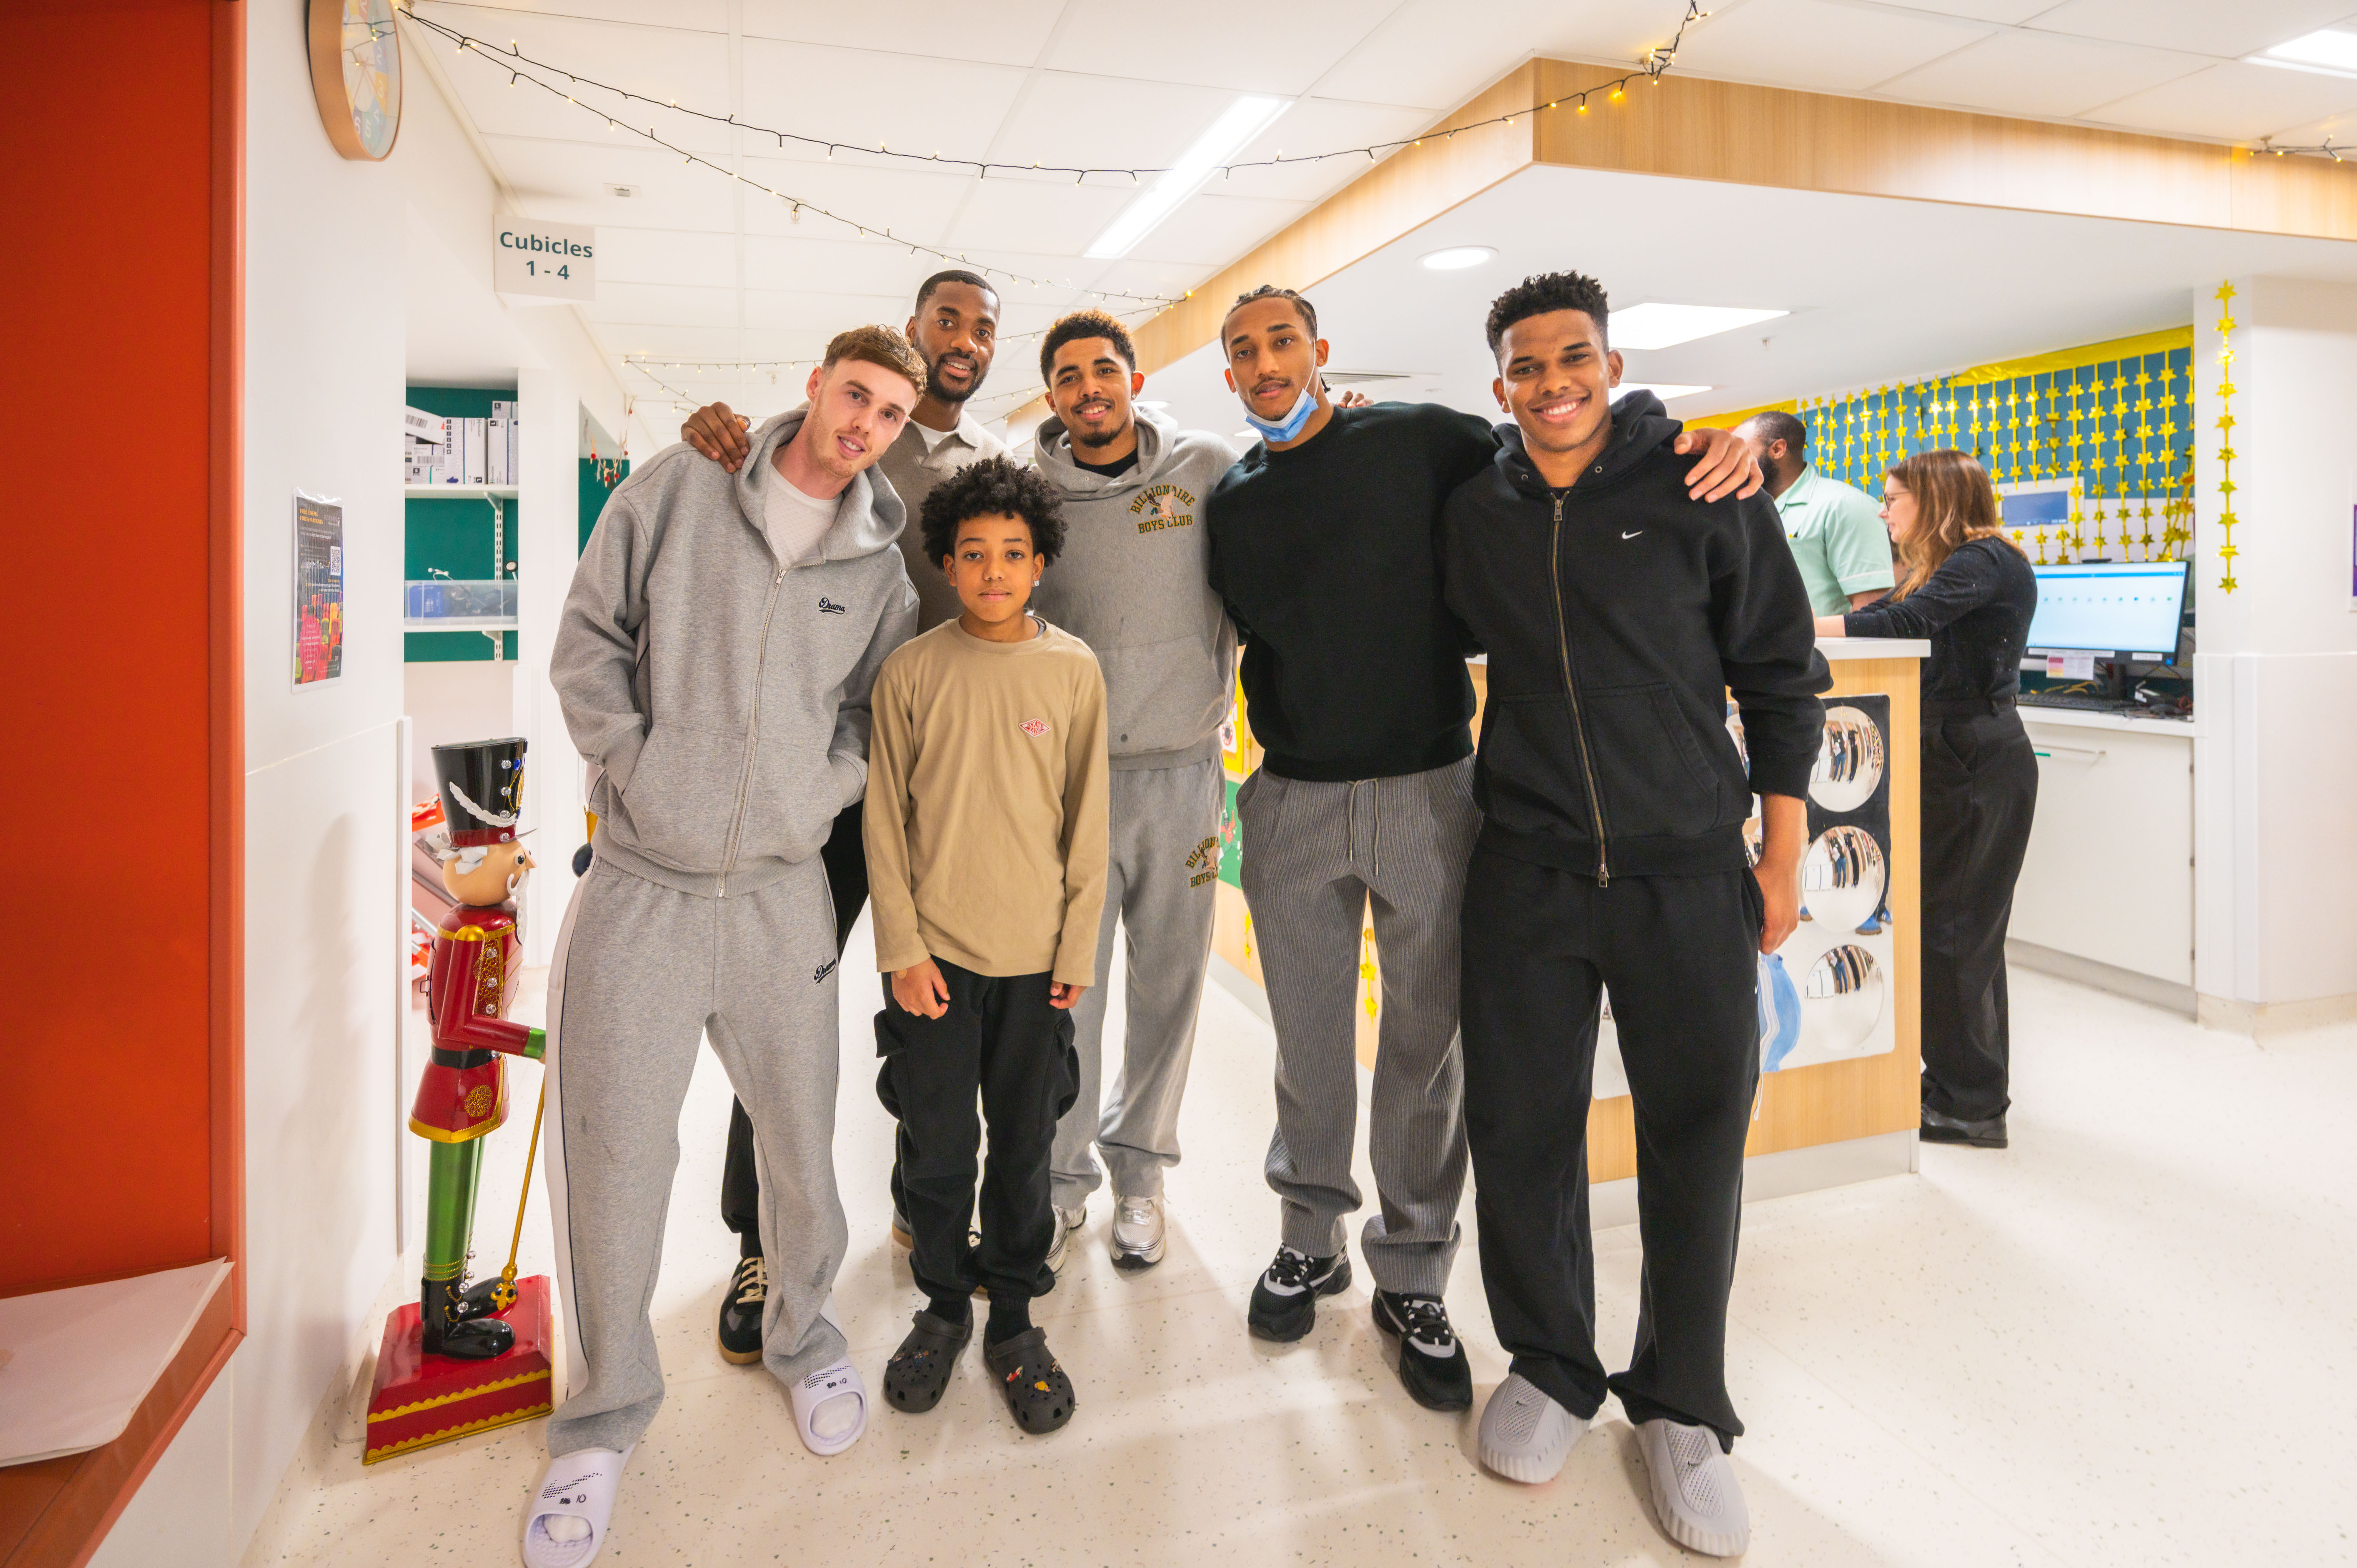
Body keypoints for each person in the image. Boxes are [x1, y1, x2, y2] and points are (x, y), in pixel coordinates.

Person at [1204, 284, 1762, 1413]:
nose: (1266, 364)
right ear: (1228, 375)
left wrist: (1691, 442)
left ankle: (1413, 1274)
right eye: (1244, 351)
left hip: (1430, 790)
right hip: (1294, 797)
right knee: (1307, 1046)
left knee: (1424, 1050)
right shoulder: (1233, 500)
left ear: (1320, 348)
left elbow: (1553, 449)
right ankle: (1308, 1239)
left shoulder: (1422, 439)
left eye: (1282, 341)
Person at [1439, 271, 1827, 1559]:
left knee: (1697, 1130)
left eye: (1573, 357)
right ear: (1499, 382)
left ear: (1609, 364)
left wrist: (1780, 857)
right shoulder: (1477, 507)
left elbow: (1780, 676)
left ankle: (1680, 1403)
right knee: (1518, 1125)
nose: (1551, 381)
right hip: (1528, 867)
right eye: (1526, 364)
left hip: (1685, 868)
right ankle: (1549, 1362)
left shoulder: (1703, 486)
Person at [525, 326, 924, 1566]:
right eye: (855, 395)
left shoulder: (882, 566)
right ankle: (602, 1414)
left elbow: (871, 716)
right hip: (640, 889)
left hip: (777, 896)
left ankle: (806, 1337)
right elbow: (588, 641)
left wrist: (816, 794)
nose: (865, 425)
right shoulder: (678, 487)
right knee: (614, 1152)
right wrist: (637, 768)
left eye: (890, 414)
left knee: (800, 1140)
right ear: (814, 384)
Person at [679, 270, 1009, 1363]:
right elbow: (750, 485)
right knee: (782, 1015)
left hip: (942, 788)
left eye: (983, 327)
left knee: (938, 1012)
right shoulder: (835, 437)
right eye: (947, 319)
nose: (963, 339)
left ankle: (925, 1203)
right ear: (911, 332)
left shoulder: (995, 462)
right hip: (825, 785)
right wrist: (713, 434)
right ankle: (761, 1241)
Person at [865, 456, 1108, 1435]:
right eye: (974, 553)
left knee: (1023, 1145)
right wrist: (902, 948)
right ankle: (940, 1303)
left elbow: (1088, 821)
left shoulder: (1074, 669)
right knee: (935, 1145)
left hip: (1037, 964)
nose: (994, 570)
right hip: (935, 962)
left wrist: (1077, 950)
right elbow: (884, 821)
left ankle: (1011, 1312)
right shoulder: (912, 670)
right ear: (947, 563)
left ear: (1040, 562)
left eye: (1013, 552)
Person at [1026, 308, 1243, 1271]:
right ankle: (1060, 1180)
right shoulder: (1027, 490)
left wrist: (1347, 421)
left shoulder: (1206, 467)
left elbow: (1298, 500)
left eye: (1103, 370)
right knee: (1065, 999)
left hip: (1183, 777)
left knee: (1169, 987)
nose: (1089, 389)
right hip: (1068, 786)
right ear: (1051, 395)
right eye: (1069, 376)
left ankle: (1142, 1175)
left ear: (1133, 377)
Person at [1817, 449, 2037, 1151]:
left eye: (1893, 499)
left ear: (1934, 498)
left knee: (1954, 932)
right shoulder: (1941, 566)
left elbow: (1900, 625)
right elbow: (1887, 612)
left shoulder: (1984, 559)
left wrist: (1783, 629)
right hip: (1951, 752)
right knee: (1959, 930)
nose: (1883, 511)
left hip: (1973, 755)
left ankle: (1970, 1104)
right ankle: (1960, 1084)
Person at [1736, 409, 1893, 615]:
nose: (1733, 462)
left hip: (1820, 638)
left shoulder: (1844, 505)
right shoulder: (1747, 512)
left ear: (1778, 450)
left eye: (1741, 452)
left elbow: (1872, 610)